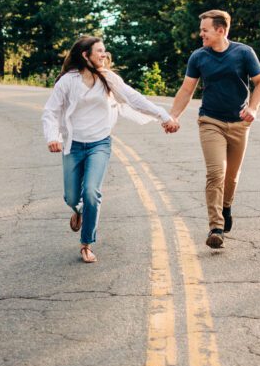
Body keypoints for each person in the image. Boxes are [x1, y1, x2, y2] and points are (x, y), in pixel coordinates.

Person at [42, 36, 176, 263]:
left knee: (92, 193)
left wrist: (163, 115)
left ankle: (86, 244)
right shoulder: (68, 81)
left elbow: (134, 98)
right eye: (99, 51)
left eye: (104, 51)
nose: (104, 55)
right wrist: (52, 137)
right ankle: (79, 211)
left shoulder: (108, 78)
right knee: (71, 197)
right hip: (73, 145)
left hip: (99, 144)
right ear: (85, 55)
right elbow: (51, 112)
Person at [166, 10, 260, 249]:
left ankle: (226, 206)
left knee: (231, 177)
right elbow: (186, 90)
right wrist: (173, 115)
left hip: (240, 124)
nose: (201, 34)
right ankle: (216, 227)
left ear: (220, 30)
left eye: (205, 30)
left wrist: (253, 108)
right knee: (215, 173)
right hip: (210, 121)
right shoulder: (198, 57)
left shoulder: (243, 53)